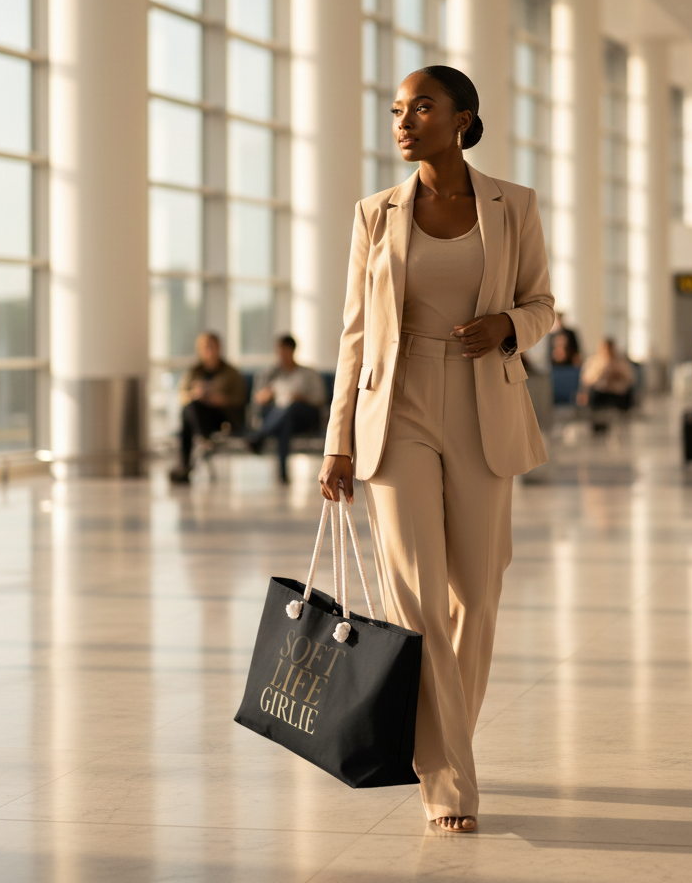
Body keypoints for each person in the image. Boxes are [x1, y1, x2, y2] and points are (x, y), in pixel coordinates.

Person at [318, 66, 553, 834]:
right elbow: (355, 333)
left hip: (485, 401)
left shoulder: (512, 206)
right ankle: (448, 776)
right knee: (414, 601)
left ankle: (444, 744)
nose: (403, 119)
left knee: (476, 598)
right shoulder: (374, 214)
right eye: (396, 108)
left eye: (421, 105)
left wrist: (510, 326)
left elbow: (544, 303)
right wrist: (337, 442)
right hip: (400, 405)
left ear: (464, 118)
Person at [246, 335, 326, 484]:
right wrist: (268, 394)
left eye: (284, 350)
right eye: (278, 351)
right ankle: (282, 474)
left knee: (290, 409)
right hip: (281, 417)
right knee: (284, 423)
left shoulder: (308, 374)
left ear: (292, 350)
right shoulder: (270, 375)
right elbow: (257, 400)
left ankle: (260, 436)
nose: (281, 355)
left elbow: (320, 398)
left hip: (304, 416)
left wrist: (302, 398)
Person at [169, 332, 247, 484]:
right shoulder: (194, 371)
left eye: (212, 346)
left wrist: (220, 400)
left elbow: (240, 399)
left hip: (222, 417)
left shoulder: (231, 373)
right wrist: (194, 394)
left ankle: (186, 463)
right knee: (190, 408)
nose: (209, 350)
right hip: (198, 414)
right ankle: (202, 440)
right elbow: (182, 395)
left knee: (188, 417)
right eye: (205, 347)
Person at [577, 337, 635, 424]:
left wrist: (616, 374)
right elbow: (587, 379)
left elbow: (630, 378)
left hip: (617, 393)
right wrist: (600, 374)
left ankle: (622, 422)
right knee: (592, 396)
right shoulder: (594, 361)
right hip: (600, 392)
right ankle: (597, 424)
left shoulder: (622, 361)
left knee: (627, 396)